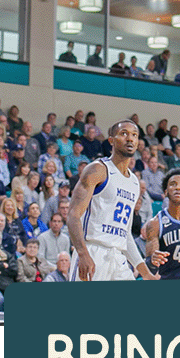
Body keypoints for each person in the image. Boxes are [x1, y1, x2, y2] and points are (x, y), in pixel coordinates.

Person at [65, 120, 144, 281]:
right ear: (111, 141)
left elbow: (126, 234)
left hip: (118, 257)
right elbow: (73, 216)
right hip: (93, 251)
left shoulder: (134, 182)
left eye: (134, 135)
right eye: (124, 134)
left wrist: (145, 271)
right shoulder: (98, 170)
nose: (130, 139)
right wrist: (83, 253)